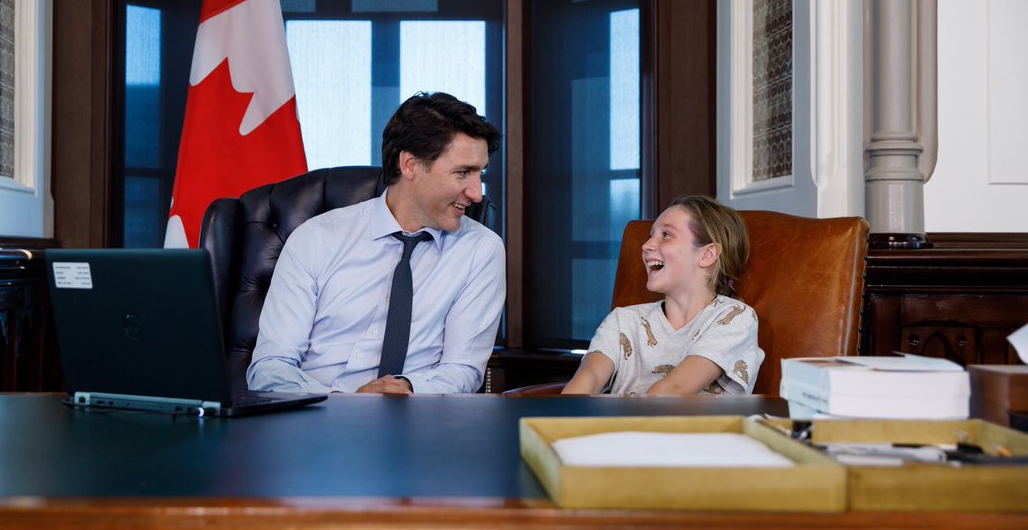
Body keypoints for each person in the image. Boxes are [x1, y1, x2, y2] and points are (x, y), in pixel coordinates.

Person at [246, 93, 505, 395]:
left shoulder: (481, 250)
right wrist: (343, 402)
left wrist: (403, 390)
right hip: (313, 419)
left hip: (418, 423)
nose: (476, 193)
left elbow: (463, 371)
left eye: (480, 174)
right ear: (409, 165)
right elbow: (271, 367)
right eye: (463, 173)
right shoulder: (315, 238)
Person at [561, 195, 764, 396]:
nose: (646, 245)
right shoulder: (622, 320)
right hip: (616, 428)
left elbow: (673, 391)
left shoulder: (735, 317)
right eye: (651, 235)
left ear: (707, 255)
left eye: (666, 234)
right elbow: (589, 378)